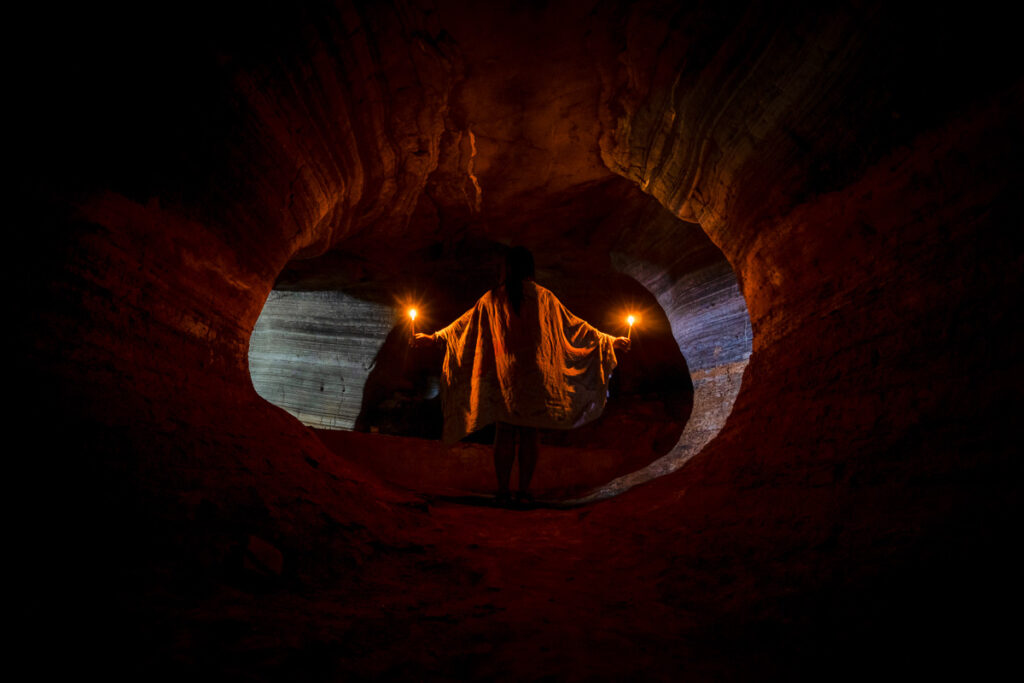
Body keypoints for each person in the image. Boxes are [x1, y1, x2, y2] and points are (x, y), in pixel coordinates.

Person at [412, 247, 630, 506]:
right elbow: (575, 327)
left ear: (508, 268)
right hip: (536, 378)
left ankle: (503, 490)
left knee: (504, 432)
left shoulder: (493, 298)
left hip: (504, 377)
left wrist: (435, 338)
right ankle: (524, 491)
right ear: (530, 269)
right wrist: (609, 341)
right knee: (529, 433)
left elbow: (463, 326)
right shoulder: (543, 297)